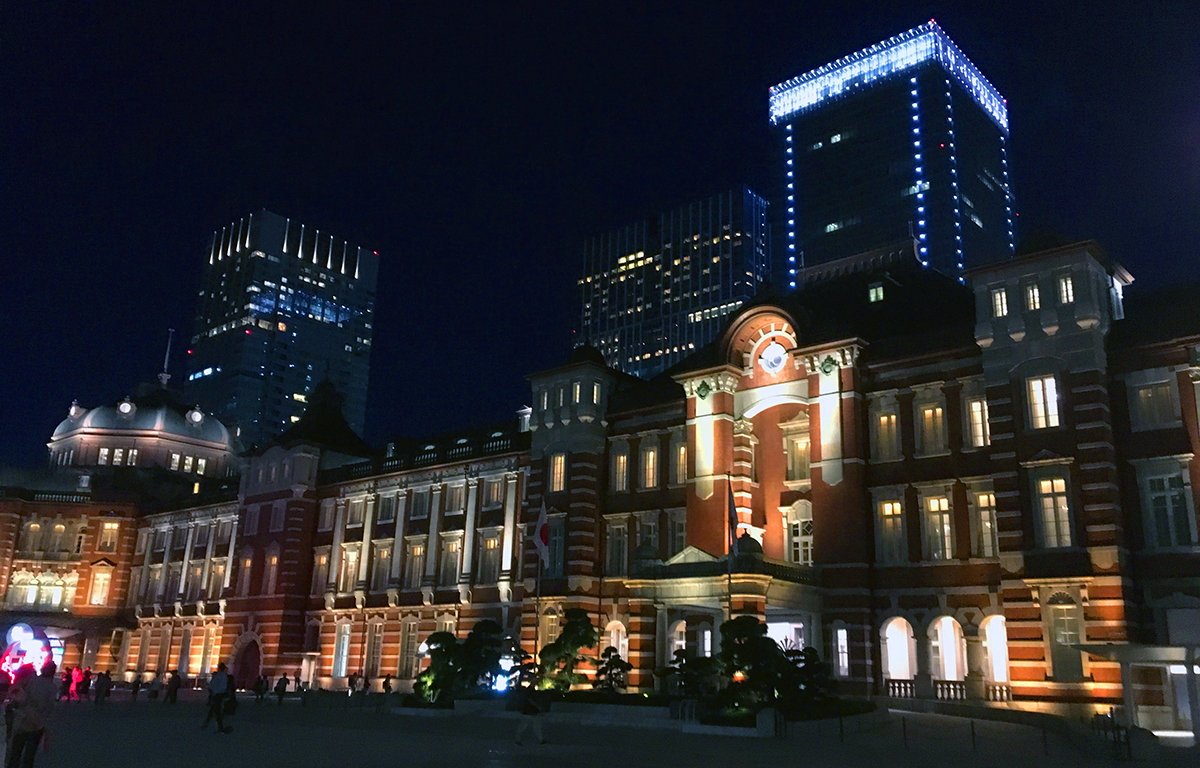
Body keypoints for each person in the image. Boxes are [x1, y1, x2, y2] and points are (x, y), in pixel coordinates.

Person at [6, 661, 58, 768]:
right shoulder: (52, 687)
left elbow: (14, 692)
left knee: (16, 751)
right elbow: (49, 708)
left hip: (23, 720)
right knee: (30, 755)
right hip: (37, 724)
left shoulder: (31, 680)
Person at [201, 662, 232, 734]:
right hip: (219, 694)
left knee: (215, 710)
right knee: (214, 710)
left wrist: (214, 691)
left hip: (217, 695)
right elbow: (222, 686)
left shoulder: (220, 675)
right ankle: (210, 723)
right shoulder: (223, 675)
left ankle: (217, 726)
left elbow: (214, 685)